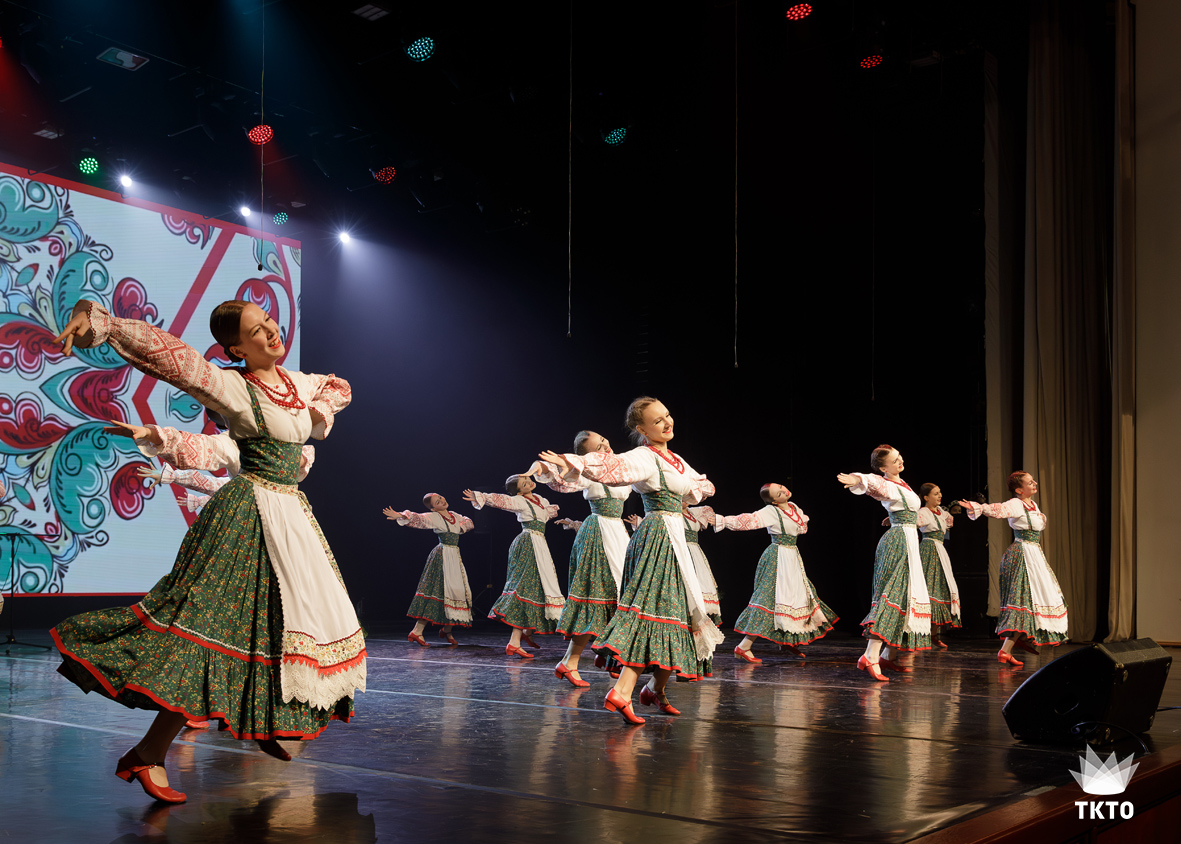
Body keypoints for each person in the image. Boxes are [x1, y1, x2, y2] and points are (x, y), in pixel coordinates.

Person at [46, 298, 363, 803]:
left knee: (286, 628)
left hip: (291, 520)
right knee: (206, 635)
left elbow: (337, 386)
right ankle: (149, 753)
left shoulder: (298, 384)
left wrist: (318, 411)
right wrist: (106, 324)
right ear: (236, 348)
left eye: (270, 322)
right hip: (247, 518)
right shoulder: (233, 387)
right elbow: (174, 359)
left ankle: (263, 723)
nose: (271, 332)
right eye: (256, 331)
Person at [538, 397, 725, 725]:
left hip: (673, 536)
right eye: (657, 420)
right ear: (642, 429)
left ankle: (654, 689)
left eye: (667, 415)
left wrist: (693, 490)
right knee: (654, 611)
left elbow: (702, 485)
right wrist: (570, 461)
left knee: (679, 611)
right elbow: (610, 467)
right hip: (658, 536)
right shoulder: (643, 456)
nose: (667, 422)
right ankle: (623, 691)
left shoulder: (673, 458)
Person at [525, 430, 631, 688]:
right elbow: (565, 479)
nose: (605, 446)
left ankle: (606, 655)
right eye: (598, 447)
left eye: (604, 441)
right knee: (597, 596)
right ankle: (572, 661)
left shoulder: (622, 467)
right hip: (599, 533)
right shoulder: (587, 472)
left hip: (618, 533)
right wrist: (544, 468)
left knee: (620, 596)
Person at [837, 445, 931, 682]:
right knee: (893, 595)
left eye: (900, 457)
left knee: (906, 596)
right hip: (899, 543)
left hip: (908, 538)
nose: (900, 461)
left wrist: (893, 517)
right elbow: (872, 483)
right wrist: (856, 479)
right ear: (883, 467)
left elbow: (902, 506)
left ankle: (888, 655)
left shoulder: (902, 484)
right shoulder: (886, 483)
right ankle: (870, 655)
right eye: (894, 460)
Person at [958, 472, 1067, 666]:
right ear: (1019, 489)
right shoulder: (1016, 503)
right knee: (1024, 600)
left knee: (1038, 598)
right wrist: (978, 507)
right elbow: (998, 509)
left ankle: (1012, 646)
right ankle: (1013, 644)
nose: (1034, 483)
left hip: (1034, 554)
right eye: (1030, 482)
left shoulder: (1032, 505)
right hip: (1022, 555)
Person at [724, 483, 837, 662]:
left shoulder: (793, 508)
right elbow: (749, 520)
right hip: (777, 556)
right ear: (775, 501)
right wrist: (721, 521)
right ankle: (743, 647)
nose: (784, 490)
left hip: (792, 556)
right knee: (769, 598)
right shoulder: (771, 511)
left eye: (782, 487)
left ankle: (787, 641)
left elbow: (802, 528)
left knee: (795, 597)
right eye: (779, 493)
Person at [461, 476, 563, 658]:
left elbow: (547, 514)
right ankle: (514, 641)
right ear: (519, 491)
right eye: (524, 484)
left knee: (539, 586)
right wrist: (480, 496)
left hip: (540, 543)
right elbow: (501, 500)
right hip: (528, 543)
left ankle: (526, 632)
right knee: (525, 586)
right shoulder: (519, 501)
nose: (529, 482)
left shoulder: (540, 500)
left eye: (527, 479)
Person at [383, 494, 475, 646]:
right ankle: (417, 631)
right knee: (436, 591)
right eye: (438, 502)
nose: (442, 501)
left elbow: (469, 522)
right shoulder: (435, 517)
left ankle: (447, 630)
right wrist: (400, 515)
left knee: (457, 591)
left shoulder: (454, 515)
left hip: (454, 556)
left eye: (441, 498)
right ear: (433, 508)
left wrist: (461, 527)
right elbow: (419, 518)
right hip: (442, 556)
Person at [917, 483, 961, 648]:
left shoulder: (943, 513)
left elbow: (949, 523)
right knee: (928, 589)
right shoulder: (922, 512)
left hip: (940, 551)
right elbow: (912, 523)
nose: (939, 495)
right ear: (926, 497)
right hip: (928, 550)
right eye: (935, 493)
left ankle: (934, 633)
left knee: (942, 588)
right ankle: (921, 634)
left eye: (940, 492)